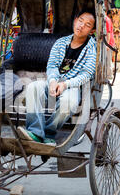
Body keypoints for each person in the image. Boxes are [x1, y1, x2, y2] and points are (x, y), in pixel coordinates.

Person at [18, 11, 97, 146]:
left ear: (92, 30)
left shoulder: (91, 48)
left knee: (69, 102)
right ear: (75, 20)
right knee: (33, 87)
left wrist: (65, 84)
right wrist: (53, 81)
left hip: (72, 85)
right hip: (54, 81)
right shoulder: (61, 42)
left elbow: (86, 74)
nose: (81, 26)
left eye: (87, 25)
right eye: (80, 21)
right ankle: (36, 132)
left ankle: (49, 132)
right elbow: (52, 65)